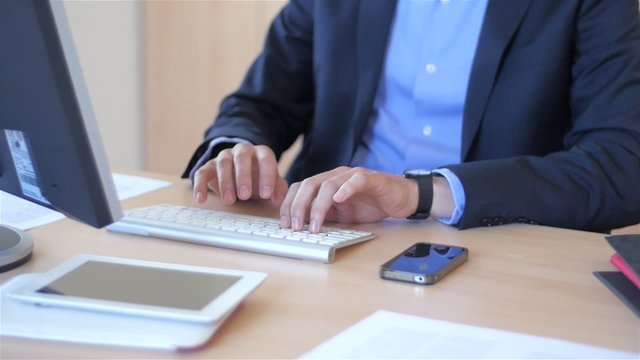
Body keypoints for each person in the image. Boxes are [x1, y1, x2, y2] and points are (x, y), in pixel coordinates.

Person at [183, 0, 640, 234]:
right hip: (324, 231)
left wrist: (421, 193)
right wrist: (234, 147)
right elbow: (259, 104)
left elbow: (622, 164)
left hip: (496, 243)